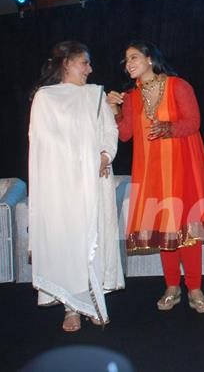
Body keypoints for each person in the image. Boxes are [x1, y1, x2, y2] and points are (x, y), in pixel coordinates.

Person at [107, 41, 204, 314]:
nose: (129, 63)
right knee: (164, 231)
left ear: (149, 59)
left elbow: (194, 122)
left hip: (182, 168)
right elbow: (124, 134)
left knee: (188, 231)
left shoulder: (178, 86)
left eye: (133, 57)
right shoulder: (132, 97)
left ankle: (195, 289)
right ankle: (172, 287)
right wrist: (115, 110)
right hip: (151, 172)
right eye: (125, 60)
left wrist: (168, 127)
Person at [29, 41, 124, 332]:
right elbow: (42, 143)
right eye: (84, 62)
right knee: (69, 241)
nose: (90, 69)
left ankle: (95, 302)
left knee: (94, 239)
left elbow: (110, 130)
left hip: (96, 181)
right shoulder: (45, 98)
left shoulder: (95, 95)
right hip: (61, 186)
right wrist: (76, 162)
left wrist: (104, 155)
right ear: (67, 63)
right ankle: (71, 308)